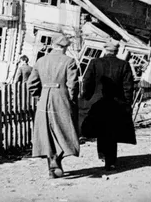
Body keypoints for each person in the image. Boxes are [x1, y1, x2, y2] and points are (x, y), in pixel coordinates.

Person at [27, 35, 80, 178]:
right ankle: (57, 161)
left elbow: (31, 84)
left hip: (44, 100)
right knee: (64, 131)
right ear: (65, 47)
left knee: (46, 133)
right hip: (62, 100)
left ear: (52, 45)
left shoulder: (41, 61)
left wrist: (41, 95)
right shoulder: (69, 61)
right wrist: (72, 100)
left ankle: (52, 165)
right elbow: (73, 85)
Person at [81, 38, 136, 171]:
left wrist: (87, 97)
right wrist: (128, 103)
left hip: (98, 102)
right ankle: (111, 161)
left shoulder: (95, 63)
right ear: (117, 51)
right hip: (116, 104)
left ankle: (102, 154)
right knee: (112, 131)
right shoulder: (124, 65)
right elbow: (128, 87)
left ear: (105, 50)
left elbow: (87, 81)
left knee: (101, 128)